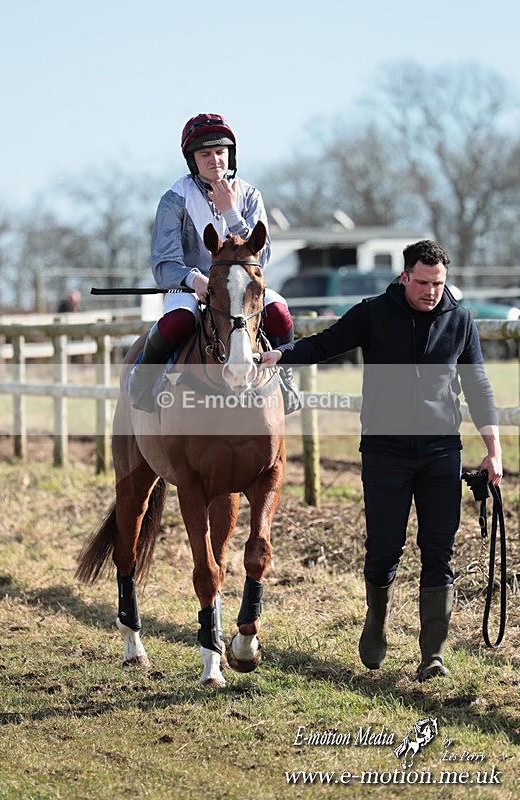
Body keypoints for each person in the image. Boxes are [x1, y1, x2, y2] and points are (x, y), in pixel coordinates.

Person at [260, 240, 503, 681]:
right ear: (405, 276)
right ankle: (376, 621)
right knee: (384, 547)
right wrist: (281, 354)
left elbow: (479, 386)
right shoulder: (373, 312)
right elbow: (327, 343)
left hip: (440, 452)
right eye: (423, 282)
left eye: (439, 283)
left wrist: (494, 449)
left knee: (440, 551)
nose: (431, 291)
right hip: (384, 450)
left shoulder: (460, 321)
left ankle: (432, 655)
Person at [128, 113, 300, 413]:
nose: (215, 160)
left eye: (220, 152)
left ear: (229, 154)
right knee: (178, 320)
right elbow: (164, 263)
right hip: (191, 287)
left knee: (280, 312)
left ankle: (286, 378)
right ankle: (142, 376)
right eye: (205, 154)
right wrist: (196, 281)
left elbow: (265, 255)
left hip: (243, 288)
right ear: (192, 160)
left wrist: (231, 213)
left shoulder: (249, 195)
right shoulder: (174, 199)